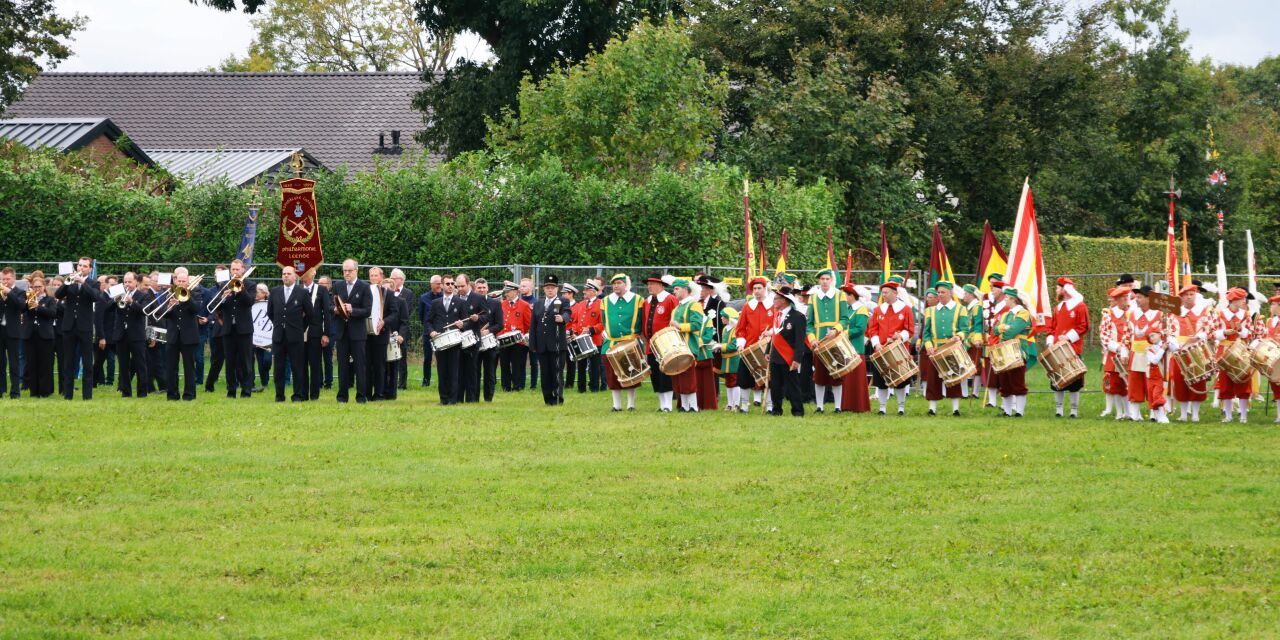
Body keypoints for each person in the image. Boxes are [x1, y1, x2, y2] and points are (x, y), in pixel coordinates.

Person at [1166, 283, 1215, 422]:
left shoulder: (1205, 311)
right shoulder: (1173, 312)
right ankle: (1183, 413)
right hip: (1179, 351)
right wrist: (1172, 341)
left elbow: (1211, 328)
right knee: (1180, 381)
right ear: (1181, 297)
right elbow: (1168, 330)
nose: (1189, 297)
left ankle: (1195, 414)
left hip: (1197, 349)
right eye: (1186, 295)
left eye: (1191, 294)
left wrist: (1200, 337)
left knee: (1198, 380)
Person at [806, 269, 851, 413]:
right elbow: (809, 323)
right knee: (819, 375)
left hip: (836, 340)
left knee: (837, 373)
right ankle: (820, 406)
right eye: (822, 279)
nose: (824, 281)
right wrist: (812, 340)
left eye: (827, 279)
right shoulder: (813, 298)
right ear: (819, 281)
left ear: (831, 280)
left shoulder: (840, 295)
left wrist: (836, 329)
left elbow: (845, 318)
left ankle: (838, 406)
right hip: (819, 342)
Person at [55, 257, 100, 400]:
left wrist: (83, 282)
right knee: (68, 361)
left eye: (85, 266)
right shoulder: (71, 281)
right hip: (69, 326)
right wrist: (68, 281)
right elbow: (58, 295)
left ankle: (87, 396)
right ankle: (68, 395)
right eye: (80, 265)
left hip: (85, 326)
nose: (81, 268)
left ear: (90, 269)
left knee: (87, 362)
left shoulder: (94, 283)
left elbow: (95, 297)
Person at [921, 281, 968, 416]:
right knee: (933, 379)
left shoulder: (960, 309)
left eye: (943, 292)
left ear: (950, 293)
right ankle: (932, 408)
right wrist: (929, 347)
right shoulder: (930, 310)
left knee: (953, 378)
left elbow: (965, 329)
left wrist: (958, 337)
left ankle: (955, 408)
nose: (940, 295)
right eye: (939, 292)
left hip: (952, 349)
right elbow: (926, 333)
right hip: (935, 350)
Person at [867, 280, 914, 415]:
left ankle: (901, 408)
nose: (884, 295)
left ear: (895, 293)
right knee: (881, 380)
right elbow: (872, 330)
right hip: (881, 350)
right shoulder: (878, 310)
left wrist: (900, 336)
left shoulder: (906, 309)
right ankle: (882, 408)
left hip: (899, 350)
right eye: (883, 293)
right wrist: (877, 344)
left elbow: (909, 329)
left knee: (900, 380)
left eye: (886, 293)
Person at [268, 265, 314, 403]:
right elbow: (270, 312)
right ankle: (279, 395)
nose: (286, 276)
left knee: (297, 367)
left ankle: (297, 395)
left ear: (295, 276)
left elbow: (310, 314)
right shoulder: (275, 291)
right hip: (278, 336)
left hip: (295, 337)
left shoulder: (302, 293)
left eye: (289, 273)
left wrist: (300, 327)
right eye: (284, 273)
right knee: (279, 368)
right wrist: (279, 325)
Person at [1124, 285, 1169, 423]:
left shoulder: (1160, 315)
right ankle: (1134, 413)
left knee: (1152, 384)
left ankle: (1154, 413)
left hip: (1153, 355)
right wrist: (1124, 351)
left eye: (1140, 297)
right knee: (1134, 383)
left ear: (1149, 298)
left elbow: (1165, 335)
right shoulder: (1131, 315)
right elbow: (1126, 335)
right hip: (1135, 354)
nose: (1136, 300)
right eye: (1136, 297)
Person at [1047, 277, 1089, 418]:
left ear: (1065, 290)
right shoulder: (1057, 308)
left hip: (1073, 348)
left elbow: (1084, 326)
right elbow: (1053, 327)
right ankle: (1059, 409)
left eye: (1058, 288)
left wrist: (1069, 337)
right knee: (1057, 379)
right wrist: (1051, 340)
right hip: (1058, 348)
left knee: (1074, 381)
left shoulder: (1080, 306)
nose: (1056, 290)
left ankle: (1073, 410)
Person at [601, 274, 644, 411]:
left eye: (619, 283)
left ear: (626, 285)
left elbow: (641, 320)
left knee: (631, 373)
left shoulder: (638, 300)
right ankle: (616, 405)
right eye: (614, 283)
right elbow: (604, 320)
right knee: (613, 375)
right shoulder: (605, 301)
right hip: (611, 343)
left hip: (630, 342)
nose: (616, 285)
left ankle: (631, 404)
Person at [732, 276, 775, 412]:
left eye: (759, 288)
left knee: (768, 379)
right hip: (749, 348)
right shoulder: (747, 307)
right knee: (744, 379)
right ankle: (744, 405)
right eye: (754, 289)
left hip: (767, 348)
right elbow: (740, 329)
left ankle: (769, 406)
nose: (756, 291)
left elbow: (778, 325)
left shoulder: (774, 306)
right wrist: (741, 344)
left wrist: (771, 333)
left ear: (765, 289)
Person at [765, 285, 808, 417]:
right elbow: (774, 335)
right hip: (775, 354)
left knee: (792, 386)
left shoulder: (798, 316)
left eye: (776, 299)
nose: (774, 301)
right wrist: (767, 350)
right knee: (775, 385)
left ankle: (797, 411)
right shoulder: (777, 315)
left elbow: (800, 340)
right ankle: (776, 410)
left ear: (783, 300)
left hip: (789, 356)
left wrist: (797, 359)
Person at [334, 259, 373, 403]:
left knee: (359, 365)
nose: (347, 273)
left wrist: (353, 310)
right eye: (344, 270)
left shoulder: (364, 287)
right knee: (342, 365)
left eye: (349, 270)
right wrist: (336, 310)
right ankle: (342, 397)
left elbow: (367, 310)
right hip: (342, 332)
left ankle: (361, 396)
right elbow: (334, 305)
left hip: (357, 333)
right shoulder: (338, 285)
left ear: (356, 270)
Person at [994, 287, 1036, 417]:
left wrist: (1003, 330)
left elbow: (1013, 331)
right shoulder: (1006, 314)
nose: (1005, 299)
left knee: (1017, 381)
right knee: (1005, 382)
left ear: (1013, 299)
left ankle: (1019, 412)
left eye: (1006, 297)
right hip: (1004, 350)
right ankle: (1007, 411)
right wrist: (1002, 328)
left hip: (1018, 350)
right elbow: (995, 330)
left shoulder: (1023, 313)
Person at [163, 268, 203, 401]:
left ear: (187, 282)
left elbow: (196, 309)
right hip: (173, 336)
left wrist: (186, 297)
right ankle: (172, 395)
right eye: (178, 280)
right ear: (175, 281)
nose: (180, 283)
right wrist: (169, 306)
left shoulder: (195, 293)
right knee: (171, 367)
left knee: (189, 368)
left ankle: (189, 395)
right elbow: (164, 315)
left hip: (189, 336)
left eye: (183, 281)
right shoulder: (170, 293)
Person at [528, 275, 569, 406]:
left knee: (556, 373)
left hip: (556, 344)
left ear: (557, 288)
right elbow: (533, 325)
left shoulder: (562, 301)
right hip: (542, 345)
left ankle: (557, 399)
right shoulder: (538, 303)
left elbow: (568, 313)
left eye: (552, 287)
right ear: (544, 289)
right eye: (547, 287)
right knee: (545, 374)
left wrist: (562, 318)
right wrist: (533, 344)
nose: (550, 290)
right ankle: (547, 399)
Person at [668, 278, 706, 412]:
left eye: (677, 289)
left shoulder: (694, 305)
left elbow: (697, 324)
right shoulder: (677, 308)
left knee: (688, 376)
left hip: (689, 345)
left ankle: (694, 406)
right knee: (679, 376)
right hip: (677, 346)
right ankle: (684, 406)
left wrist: (680, 326)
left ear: (685, 290)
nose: (674, 291)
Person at [220, 259, 257, 399]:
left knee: (246, 361)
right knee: (229, 362)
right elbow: (217, 308)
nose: (235, 272)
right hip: (229, 329)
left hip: (244, 330)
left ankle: (246, 390)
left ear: (243, 270)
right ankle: (231, 390)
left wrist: (241, 289)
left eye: (237, 270)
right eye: (233, 269)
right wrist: (222, 298)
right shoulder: (224, 285)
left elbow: (249, 302)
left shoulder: (250, 284)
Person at [1216, 287, 1253, 423]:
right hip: (1225, 350)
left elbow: (1250, 334)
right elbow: (1213, 333)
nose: (1244, 301)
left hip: (1241, 351)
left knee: (1243, 381)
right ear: (1234, 300)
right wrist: (1224, 333)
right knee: (1225, 384)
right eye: (1242, 299)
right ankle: (1228, 415)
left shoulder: (1246, 315)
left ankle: (1243, 415)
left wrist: (1241, 329)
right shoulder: (1220, 314)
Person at [642, 273, 678, 412]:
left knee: (665, 374)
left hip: (665, 343)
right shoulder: (647, 301)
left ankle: (668, 404)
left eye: (652, 284)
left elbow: (675, 318)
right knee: (655, 374)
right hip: (651, 345)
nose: (649, 286)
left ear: (660, 285)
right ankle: (662, 404)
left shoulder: (670, 299)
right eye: (648, 284)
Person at [428, 275, 466, 405]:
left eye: (452, 284)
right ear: (442, 286)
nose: (450, 286)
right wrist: (431, 331)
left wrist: (462, 325)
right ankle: (443, 399)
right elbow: (428, 321)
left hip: (454, 342)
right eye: (447, 283)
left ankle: (453, 399)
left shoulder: (460, 302)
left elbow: (465, 321)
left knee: (454, 371)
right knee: (442, 371)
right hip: (440, 341)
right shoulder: (435, 303)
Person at [364, 267, 399, 401]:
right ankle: (366, 393)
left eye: (375, 275)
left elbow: (394, 313)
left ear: (381, 277)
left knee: (379, 365)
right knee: (366, 365)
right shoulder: (364, 292)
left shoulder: (388, 294)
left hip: (381, 334)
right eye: (371, 275)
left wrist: (384, 322)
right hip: (366, 334)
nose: (373, 278)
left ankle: (379, 394)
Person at [1097, 285, 1132, 421]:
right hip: (1114, 353)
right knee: (1116, 385)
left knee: (1129, 384)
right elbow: (1104, 336)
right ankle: (1119, 412)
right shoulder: (1108, 315)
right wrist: (1118, 348)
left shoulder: (1132, 313)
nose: (1126, 300)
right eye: (1123, 298)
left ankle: (1129, 412)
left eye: (1127, 297)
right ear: (1116, 300)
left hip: (1130, 352)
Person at [114, 272, 151, 398]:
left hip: (136, 335)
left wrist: (132, 302)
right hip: (121, 334)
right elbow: (106, 309)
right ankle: (126, 392)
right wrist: (115, 300)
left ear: (136, 282)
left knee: (140, 364)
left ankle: (142, 392)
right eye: (125, 282)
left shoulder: (143, 295)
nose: (127, 284)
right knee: (123, 365)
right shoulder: (119, 294)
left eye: (130, 282)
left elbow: (144, 311)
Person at [839, 282, 872, 413]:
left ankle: (859, 405)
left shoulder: (861, 309)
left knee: (857, 379)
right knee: (847, 379)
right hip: (845, 347)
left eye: (844, 295)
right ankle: (846, 405)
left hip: (856, 347)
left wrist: (845, 333)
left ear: (851, 296)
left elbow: (860, 328)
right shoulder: (847, 309)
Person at [300, 268, 331, 401]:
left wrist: (326, 334)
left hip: (315, 333)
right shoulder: (297, 289)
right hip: (299, 333)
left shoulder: (321, 290)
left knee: (315, 364)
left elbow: (327, 314)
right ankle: (302, 394)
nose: (305, 274)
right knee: (301, 365)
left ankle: (314, 395)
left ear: (314, 273)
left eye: (308, 271)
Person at [24, 272, 57, 397]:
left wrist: (38, 307)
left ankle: (44, 391)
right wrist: (27, 302)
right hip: (30, 334)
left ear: (44, 287)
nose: (37, 289)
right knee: (32, 364)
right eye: (34, 287)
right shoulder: (29, 298)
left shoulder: (50, 299)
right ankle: (34, 391)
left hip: (45, 336)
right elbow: (22, 310)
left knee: (45, 364)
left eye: (39, 287)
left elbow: (53, 313)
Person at [456, 274, 487, 403]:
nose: (460, 289)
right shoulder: (455, 298)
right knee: (458, 370)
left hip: (472, 339)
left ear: (469, 284)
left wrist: (478, 318)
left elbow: (486, 316)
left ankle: (472, 399)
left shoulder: (478, 298)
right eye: (458, 286)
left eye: (462, 286)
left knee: (471, 370)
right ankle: (457, 398)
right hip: (457, 339)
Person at [569, 280, 604, 393]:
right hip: (580, 339)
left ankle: (594, 388)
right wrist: (574, 331)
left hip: (594, 340)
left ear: (594, 292)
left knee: (594, 366)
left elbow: (603, 323)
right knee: (581, 365)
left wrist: (591, 330)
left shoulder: (601, 304)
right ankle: (581, 388)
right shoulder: (581, 304)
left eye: (587, 290)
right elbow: (575, 321)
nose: (584, 292)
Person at [498, 281, 532, 391]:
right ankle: (505, 386)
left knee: (518, 365)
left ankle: (517, 386)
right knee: (504, 364)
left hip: (518, 342)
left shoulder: (524, 305)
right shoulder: (503, 304)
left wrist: (521, 335)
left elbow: (528, 324)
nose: (506, 294)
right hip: (504, 340)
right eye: (506, 292)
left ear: (515, 292)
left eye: (508, 292)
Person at [981, 275, 1008, 408]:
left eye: (994, 286)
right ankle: (992, 400)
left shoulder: (1007, 306)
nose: (991, 288)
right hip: (989, 342)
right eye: (990, 285)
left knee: (1003, 373)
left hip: (1002, 344)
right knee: (990, 371)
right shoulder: (987, 301)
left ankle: (1005, 402)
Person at [475, 278, 503, 402]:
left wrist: (488, 330)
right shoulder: (470, 302)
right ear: (475, 289)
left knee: (490, 372)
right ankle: (473, 397)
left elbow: (500, 324)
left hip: (490, 342)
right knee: (474, 371)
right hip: (474, 342)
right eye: (479, 288)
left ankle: (488, 398)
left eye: (483, 287)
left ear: (487, 288)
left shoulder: (495, 304)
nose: (481, 290)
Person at [388, 268, 414, 391]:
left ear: (401, 280)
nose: (392, 280)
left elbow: (406, 313)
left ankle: (402, 383)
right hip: (387, 328)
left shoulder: (408, 293)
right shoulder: (387, 291)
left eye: (394, 278)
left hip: (401, 329)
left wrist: (401, 334)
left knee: (401, 358)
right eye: (391, 278)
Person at [1, 267, 25, 398]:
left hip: (13, 331)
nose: (5, 281)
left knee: (14, 363)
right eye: (3, 279)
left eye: (7, 279)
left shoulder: (20, 292)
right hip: (1, 331)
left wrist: (9, 293)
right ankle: (1, 389)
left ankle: (15, 392)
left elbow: (22, 306)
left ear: (14, 278)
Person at [203, 265, 228, 394]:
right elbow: (210, 306)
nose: (217, 276)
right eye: (216, 274)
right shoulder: (213, 290)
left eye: (220, 274)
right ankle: (209, 385)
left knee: (238, 358)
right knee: (217, 359)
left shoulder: (233, 286)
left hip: (233, 326)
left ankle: (240, 384)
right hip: (219, 327)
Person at [1258, 293, 1280, 422]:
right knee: (1276, 386)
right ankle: (1279, 415)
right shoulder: (1270, 321)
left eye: (1273, 304)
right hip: (1273, 358)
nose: (1271, 307)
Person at [417, 275, 443, 387]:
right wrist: (429, 329)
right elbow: (421, 316)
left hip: (441, 332)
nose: (439, 285)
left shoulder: (444, 297)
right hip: (428, 333)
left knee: (441, 358)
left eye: (440, 283)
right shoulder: (423, 298)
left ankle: (442, 380)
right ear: (431, 284)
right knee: (427, 358)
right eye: (437, 283)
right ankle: (426, 380)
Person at [93, 274, 118, 388]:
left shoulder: (118, 297)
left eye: (116, 285)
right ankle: (92, 382)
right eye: (112, 284)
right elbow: (98, 319)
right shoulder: (101, 297)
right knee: (99, 362)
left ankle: (115, 382)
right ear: (106, 285)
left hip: (116, 334)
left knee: (117, 360)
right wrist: (101, 337)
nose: (114, 286)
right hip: (105, 335)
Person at [960, 284, 984, 400]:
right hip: (966, 340)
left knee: (976, 366)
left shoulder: (977, 307)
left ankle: (975, 392)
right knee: (964, 366)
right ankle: (964, 393)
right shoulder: (968, 307)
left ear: (970, 294)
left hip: (974, 340)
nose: (963, 295)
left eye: (965, 293)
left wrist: (975, 339)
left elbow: (977, 325)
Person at [717, 307, 742, 410]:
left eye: (724, 316)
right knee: (728, 382)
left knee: (734, 381)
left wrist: (720, 346)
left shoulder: (735, 329)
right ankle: (730, 404)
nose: (722, 318)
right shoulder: (725, 329)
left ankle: (736, 404)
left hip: (733, 359)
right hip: (725, 359)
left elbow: (733, 346)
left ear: (729, 318)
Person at [251, 283, 272, 392]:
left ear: (264, 293)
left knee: (267, 360)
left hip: (268, 339)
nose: (256, 294)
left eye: (258, 292)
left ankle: (266, 377)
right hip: (255, 338)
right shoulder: (251, 304)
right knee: (259, 361)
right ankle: (264, 382)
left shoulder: (270, 303)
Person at [520, 276, 539, 390]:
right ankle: (521, 384)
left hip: (533, 336)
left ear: (531, 287)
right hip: (521, 336)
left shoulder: (536, 302)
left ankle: (533, 385)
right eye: (521, 286)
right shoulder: (519, 301)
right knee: (521, 361)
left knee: (534, 362)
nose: (521, 288)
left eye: (524, 286)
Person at [560, 283, 579, 392]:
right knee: (560, 361)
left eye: (565, 293)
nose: (562, 295)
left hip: (571, 336)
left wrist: (573, 331)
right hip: (561, 336)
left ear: (571, 294)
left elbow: (577, 321)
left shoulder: (577, 306)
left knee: (571, 362)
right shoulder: (561, 305)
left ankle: (570, 384)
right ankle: (560, 382)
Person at [319, 275, 336, 388]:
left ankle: (328, 382)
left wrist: (327, 334)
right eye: (319, 283)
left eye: (323, 284)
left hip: (330, 331)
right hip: (317, 330)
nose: (320, 286)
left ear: (329, 285)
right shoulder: (315, 296)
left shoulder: (334, 298)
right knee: (316, 358)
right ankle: (319, 382)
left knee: (327, 358)